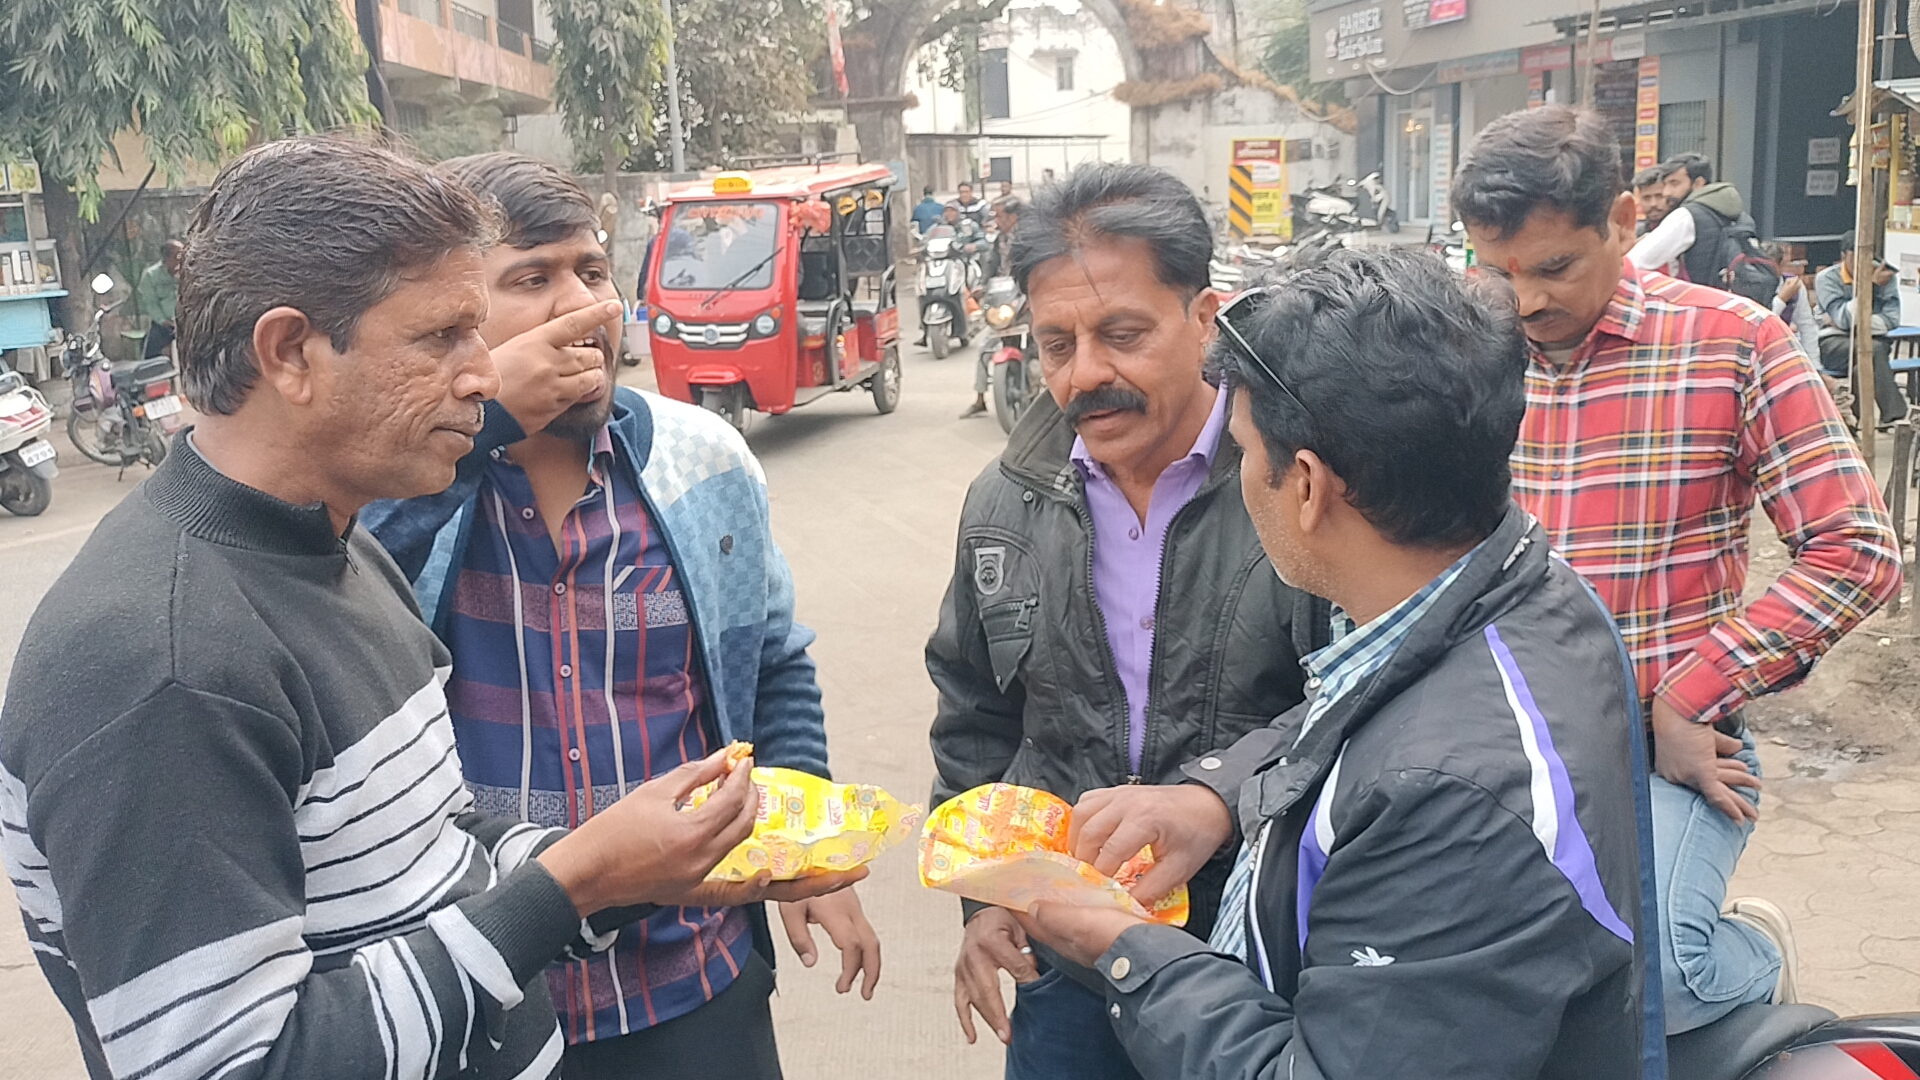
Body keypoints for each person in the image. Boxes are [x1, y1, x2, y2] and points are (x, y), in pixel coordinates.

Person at [0, 136, 859, 1080]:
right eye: (445, 336)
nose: (488, 376)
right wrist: (574, 886)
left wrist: (621, 865)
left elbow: (432, 851)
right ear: (289, 352)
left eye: (590, 274)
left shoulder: (336, 546)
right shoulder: (155, 661)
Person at [1014, 247, 1649, 1080]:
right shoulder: (1514, 588)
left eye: (1242, 452)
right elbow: (1350, 713)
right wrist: (1220, 799)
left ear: (1307, 486)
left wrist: (1130, 953)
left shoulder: (1449, 801)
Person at [360, 153, 877, 1080]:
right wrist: (483, 428)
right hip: (485, 991)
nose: (586, 307)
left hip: (694, 979)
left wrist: (806, 842)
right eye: (532, 279)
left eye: (592, 272)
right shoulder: (402, 479)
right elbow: (342, 604)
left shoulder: (701, 459)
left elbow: (772, 661)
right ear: (456, 318)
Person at [1453, 105, 1902, 1035]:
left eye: (1552, 268)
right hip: (1497, 746)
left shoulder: (1734, 345)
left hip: (1669, 747)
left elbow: (1856, 549)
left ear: (1622, 220)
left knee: (1664, 975)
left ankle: (1753, 956)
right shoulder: (1462, 353)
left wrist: (1693, 692)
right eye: (1495, 274)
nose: (1525, 303)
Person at [926, 161, 1321, 1080]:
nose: (1087, 373)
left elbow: (1365, 696)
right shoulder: (1005, 503)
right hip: (1068, 956)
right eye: (1056, 343)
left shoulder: (1296, 481)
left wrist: (1215, 796)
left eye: (1122, 333)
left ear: (1204, 316)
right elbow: (974, 721)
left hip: (1257, 952)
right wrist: (985, 901)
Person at [1628, 153, 1763, 292]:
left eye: (1675, 183)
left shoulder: (1687, 215)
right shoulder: (1738, 214)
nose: (1667, 193)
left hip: (1701, 305)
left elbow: (1635, 261)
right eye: (1666, 184)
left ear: (1698, 183)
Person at [1815, 229, 1908, 429]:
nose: (1862, 265)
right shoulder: (1827, 279)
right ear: (1843, 256)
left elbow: (1891, 320)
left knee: (1868, 356)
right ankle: (1895, 414)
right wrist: (1870, 285)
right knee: (1873, 350)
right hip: (1832, 342)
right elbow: (1844, 320)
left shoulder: (1885, 275)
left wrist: (1856, 324)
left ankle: (1853, 421)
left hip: (1872, 341)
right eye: (1855, 258)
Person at [960, 197, 1023, 419]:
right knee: (985, 347)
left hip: (1027, 299)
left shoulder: (1031, 237)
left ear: (1014, 217)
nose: (996, 221)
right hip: (1004, 300)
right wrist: (982, 285)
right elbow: (991, 265)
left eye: (1000, 216)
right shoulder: (999, 240)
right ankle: (980, 399)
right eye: (995, 216)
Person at [134, 238, 184, 358]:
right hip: (165, 326)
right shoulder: (151, 275)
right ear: (168, 258)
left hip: (186, 322)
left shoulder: (189, 271)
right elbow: (151, 304)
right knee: (152, 349)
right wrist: (164, 321)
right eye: (179, 256)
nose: (182, 258)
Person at [1632, 162, 1678, 237]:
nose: (1653, 204)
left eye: (1659, 196)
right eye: (1646, 198)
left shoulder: (1684, 232)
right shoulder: (1637, 235)